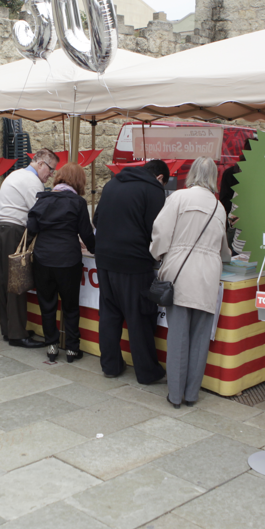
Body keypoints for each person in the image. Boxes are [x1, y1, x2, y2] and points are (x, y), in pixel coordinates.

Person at [150, 157, 230, 408]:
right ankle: (192, 394)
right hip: (208, 276)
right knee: (200, 338)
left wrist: (158, 255)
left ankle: (175, 395)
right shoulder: (219, 207)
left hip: (180, 273)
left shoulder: (179, 197)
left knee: (178, 338)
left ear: (192, 173)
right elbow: (224, 250)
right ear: (214, 177)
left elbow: (161, 232)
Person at [93, 159, 170, 383]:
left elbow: (96, 219)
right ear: (160, 178)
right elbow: (157, 230)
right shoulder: (153, 189)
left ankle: (111, 365)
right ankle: (147, 373)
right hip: (133, 263)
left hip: (104, 260)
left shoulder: (112, 184)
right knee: (139, 318)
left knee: (109, 315)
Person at [27, 163, 95, 363]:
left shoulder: (42, 200)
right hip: (68, 259)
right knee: (71, 306)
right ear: (78, 181)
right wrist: (96, 250)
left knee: (47, 305)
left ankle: (51, 346)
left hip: (43, 259)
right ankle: (72, 348)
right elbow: (86, 234)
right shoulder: (78, 202)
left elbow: (31, 229)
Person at [0, 149, 58, 348]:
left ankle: (9, 328)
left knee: (5, 280)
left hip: (1, 227)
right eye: (51, 169)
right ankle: (17, 334)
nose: (51, 175)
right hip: (13, 230)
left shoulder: (17, 174)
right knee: (17, 282)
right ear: (41, 164)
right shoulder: (32, 181)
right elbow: (40, 214)